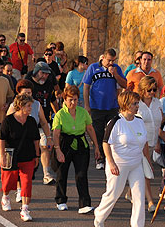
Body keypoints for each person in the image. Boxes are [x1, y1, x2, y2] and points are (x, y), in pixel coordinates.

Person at [93, 91, 148, 227]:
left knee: (138, 195)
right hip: (119, 163)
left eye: (138, 103)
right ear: (125, 104)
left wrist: (146, 161)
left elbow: (144, 142)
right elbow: (106, 143)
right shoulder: (115, 122)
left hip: (136, 164)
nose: (137, 106)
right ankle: (99, 215)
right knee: (113, 194)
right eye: (134, 103)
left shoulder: (139, 121)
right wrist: (110, 163)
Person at [53, 85, 99, 213]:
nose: (73, 103)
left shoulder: (83, 112)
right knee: (62, 173)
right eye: (70, 100)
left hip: (80, 144)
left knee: (81, 174)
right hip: (65, 144)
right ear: (65, 100)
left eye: (75, 99)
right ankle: (61, 200)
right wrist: (58, 150)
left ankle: (84, 203)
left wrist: (96, 146)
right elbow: (56, 133)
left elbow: (89, 128)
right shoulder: (60, 114)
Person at [6, 79, 53, 201]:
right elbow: (7, 123)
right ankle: (19, 190)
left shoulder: (36, 105)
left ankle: (45, 173)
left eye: (30, 93)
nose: (28, 95)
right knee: (18, 165)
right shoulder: (13, 106)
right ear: (19, 94)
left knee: (31, 166)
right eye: (25, 93)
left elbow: (43, 121)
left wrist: (48, 137)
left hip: (34, 136)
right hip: (18, 139)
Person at [0, 93, 41, 222]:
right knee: (8, 182)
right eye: (28, 106)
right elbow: (1, 139)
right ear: (20, 106)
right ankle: (5, 196)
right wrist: (2, 155)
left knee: (27, 183)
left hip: (28, 156)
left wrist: (37, 156)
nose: (30, 109)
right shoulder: (8, 120)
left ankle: (25, 209)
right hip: (11, 156)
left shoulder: (31, 121)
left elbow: (36, 140)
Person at [82, 48, 127, 169]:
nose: (111, 63)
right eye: (109, 60)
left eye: (113, 60)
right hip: (97, 106)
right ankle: (99, 158)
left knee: (111, 133)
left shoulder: (116, 68)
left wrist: (115, 74)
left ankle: (111, 158)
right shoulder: (93, 67)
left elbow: (124, 84)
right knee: (98, 133)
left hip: (112, 106)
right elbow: (86, 87)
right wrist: (87, 105)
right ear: (103, 58)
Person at [26, 61, 60, 184]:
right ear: (36, 72)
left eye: (47, 74)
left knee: (45, 146)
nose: (44, 76)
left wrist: (59, 114)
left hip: (44, 120)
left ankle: (46, 174)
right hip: (28, 122)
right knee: (29, 149)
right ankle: (27, 175)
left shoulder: (49, 84)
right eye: (42, 73)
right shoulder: (28, 84)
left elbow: (53, 100)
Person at [137, 76, 164, 212]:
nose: (152, 92)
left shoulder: (158, 103)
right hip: (141, 143)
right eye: (149, 90)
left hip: (155, 141)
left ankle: (130, 193)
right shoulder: (137, 104)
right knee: (145, 171)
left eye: (154, 89)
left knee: (143, 170)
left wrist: (159, 141)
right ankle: (150, 202)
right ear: (143, 89)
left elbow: (160, 123)